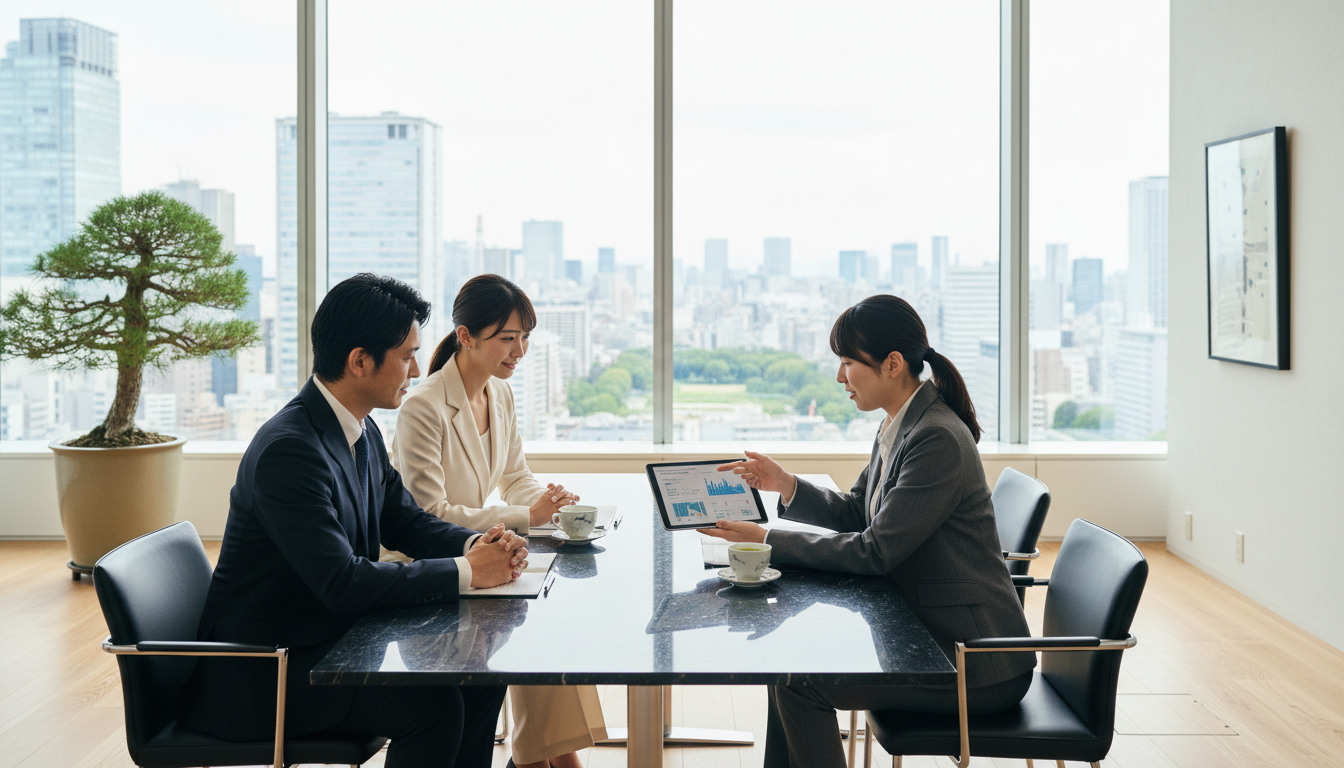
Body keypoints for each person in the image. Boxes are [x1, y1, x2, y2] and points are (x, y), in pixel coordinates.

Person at [178, 273, 528, 768]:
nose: (414, 369)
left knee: (478, 676)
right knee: (433, 705)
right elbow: (342, 582)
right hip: (270, 675)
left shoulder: (357, 430)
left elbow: (404, 521)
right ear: (360, 360)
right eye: (406, 356)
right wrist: (471, 571)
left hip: (330, 643)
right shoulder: (290, 452)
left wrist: (477, 545)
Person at [701, 294, 1036, 768]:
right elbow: (862, 510)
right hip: (925, 632)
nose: (840, 377)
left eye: (847, 362)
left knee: (801, 684)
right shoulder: (902, 424)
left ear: (893, 363)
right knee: (788, 672)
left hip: (971, 663)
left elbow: (875, 551)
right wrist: (785, 484)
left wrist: (766, 541)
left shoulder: (935, 437)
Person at [390, 273, 605, 768]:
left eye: (525, 337)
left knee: (547, 621)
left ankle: (538, 758)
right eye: (508, 338)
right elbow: (428, 512)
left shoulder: (499, 394)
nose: (520, 350)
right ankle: (546, 760)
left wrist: (550, 502)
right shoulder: (424, 407)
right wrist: (523, 516)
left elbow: (514, 475)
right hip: (432, 561)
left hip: (483, 549)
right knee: (535, 629)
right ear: (465, 335)